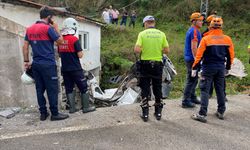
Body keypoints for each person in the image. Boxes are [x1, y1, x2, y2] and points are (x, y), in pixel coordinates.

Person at [22, 6, 69, 121]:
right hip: (48, 64)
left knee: (39, 89)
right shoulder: (48, 28)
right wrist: (56, 27)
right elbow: (61, 42)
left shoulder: (29, 29)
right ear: (49, 17)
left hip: (36, 64)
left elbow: (25, 47)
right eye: (52, 18)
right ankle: (54, 114)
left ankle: (43, 113)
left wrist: (27, 61)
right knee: (52, 89)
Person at [191, 17, 235, 123]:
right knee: (220, 90)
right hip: (221, 68)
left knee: (205, 90)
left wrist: (194, 67)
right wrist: (228, 67)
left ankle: (202, 114)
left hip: (208, 68)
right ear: (221, 26)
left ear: (210, 26)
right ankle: (221, 111)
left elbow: (199, 55)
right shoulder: (227, 39)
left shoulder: (206, 39)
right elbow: (231, 55)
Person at [134, 15, 170, 122]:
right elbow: (167, 50)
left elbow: (137, 50)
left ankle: (145, 114)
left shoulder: (142, 34)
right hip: (157, 65)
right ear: (153, 23)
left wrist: (144, 48)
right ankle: (158, 113)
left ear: (145, 24)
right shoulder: (161, 34)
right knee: (157, 87)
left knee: (145, 87)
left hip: (145, 64)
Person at [58, 18, 96, 114]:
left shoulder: (60, 41)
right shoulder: (74, 39)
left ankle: (72, 109)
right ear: (73, 28)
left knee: (69, 88)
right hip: (75, 68)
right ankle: (86, 108)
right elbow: (80, 55)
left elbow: (59, 54)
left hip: (65, 69)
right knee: (83, 87)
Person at [182, 12, 203, 108]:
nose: (202, 22)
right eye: (200, 20)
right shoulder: (194, 31)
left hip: (191, 59)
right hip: (192, 59)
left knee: (194, 79)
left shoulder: (195, 30)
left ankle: (192, 96)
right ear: (194, 21)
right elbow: (194, 48)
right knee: (191, 79)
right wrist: (197, 60)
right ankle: (185, 100)